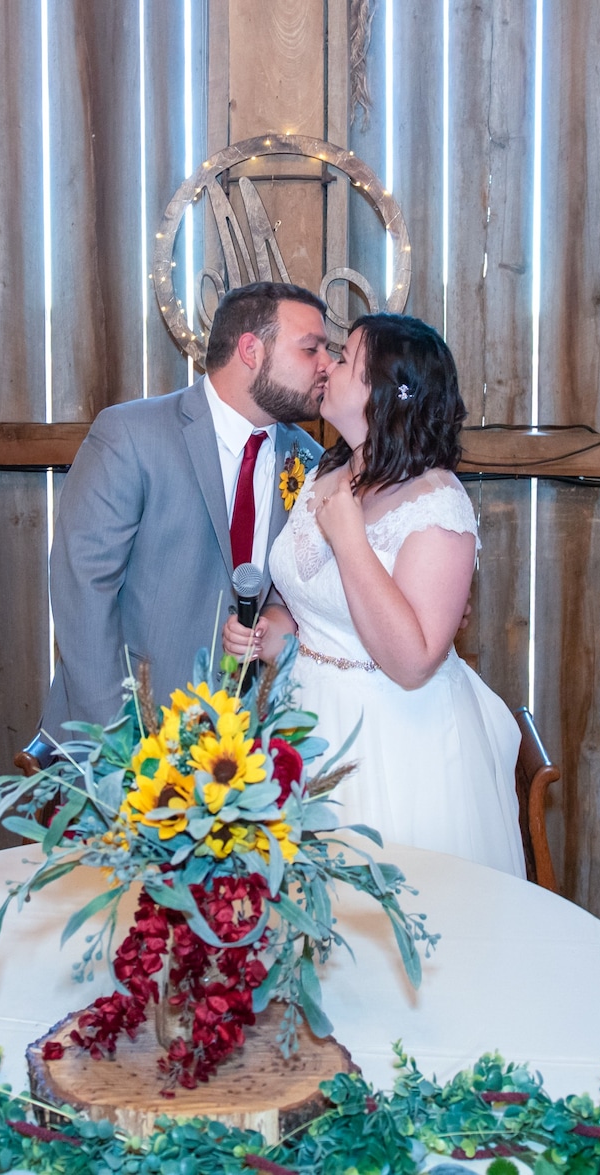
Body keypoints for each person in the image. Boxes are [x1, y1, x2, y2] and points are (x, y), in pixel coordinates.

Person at [223, 312, 523, 876]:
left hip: (394, 743)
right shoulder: (326, 471)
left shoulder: (437, 505)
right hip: (304, 725)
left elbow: (412, 661)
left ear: (381, 394)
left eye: (344, 360)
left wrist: (351, 540)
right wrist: (270, 634)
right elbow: (306, 605)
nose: (328, 367)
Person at [41, 281, 332, 739]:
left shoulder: (312, 462)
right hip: (134, 725)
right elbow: (84, 591)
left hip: (248, 751)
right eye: (311, 349)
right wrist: (114, 745)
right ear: (251, 350)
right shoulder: (131, 434)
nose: (327, 365)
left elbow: (296, 592)